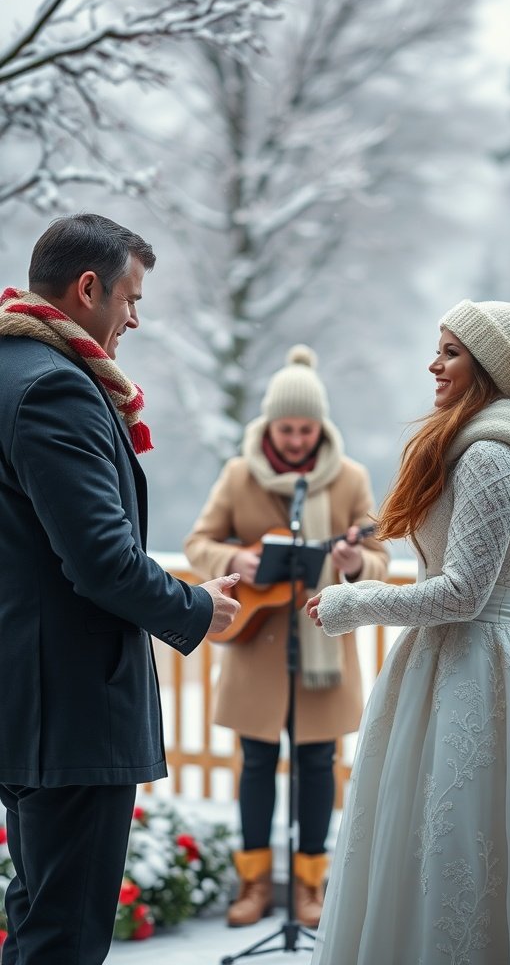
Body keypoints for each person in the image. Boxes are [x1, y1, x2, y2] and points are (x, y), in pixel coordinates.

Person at [305, 290, 510, 965]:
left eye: (451, 352)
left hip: (471, 673)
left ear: (489, 366)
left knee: (454, 849)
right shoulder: (509, 449)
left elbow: (461, 594)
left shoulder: (490, 455)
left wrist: (353, 602)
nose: (434, 365)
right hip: (475, 668)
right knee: (463, 854)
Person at [0, 213, 240, 965]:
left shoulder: (11, 369)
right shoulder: (53, 390)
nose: (135, 318)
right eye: (131, 299)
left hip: (27, 698)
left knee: (36, 912)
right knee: (64, 936)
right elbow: (100, 560)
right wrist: (198, 606)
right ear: (88, 287)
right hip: (68, 707)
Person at [184, 345, 389, 928]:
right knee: (255, 765)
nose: (296, 439)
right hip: (256, 649)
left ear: (319, 426)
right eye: (286, 427)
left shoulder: (349, 478)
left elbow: (379, 558)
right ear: (269, 424)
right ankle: (253, 887)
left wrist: (351, 562)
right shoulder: (239, 473)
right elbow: (200, 542)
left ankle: (310, 890)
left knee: (319, 765)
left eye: (305, 428)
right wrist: (237, 560)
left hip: (323, 646)